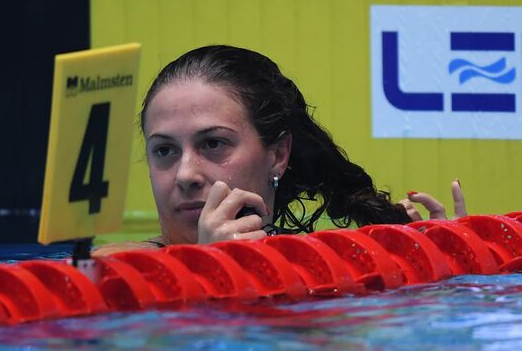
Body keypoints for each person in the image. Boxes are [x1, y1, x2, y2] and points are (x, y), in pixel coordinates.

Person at [94, 45, 466, 254]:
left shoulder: (318, 261)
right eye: (164, 151)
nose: (186, 173)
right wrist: (209, 267)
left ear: (278, 154)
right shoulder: (115, 267)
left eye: (213, 143)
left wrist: (446, 262)